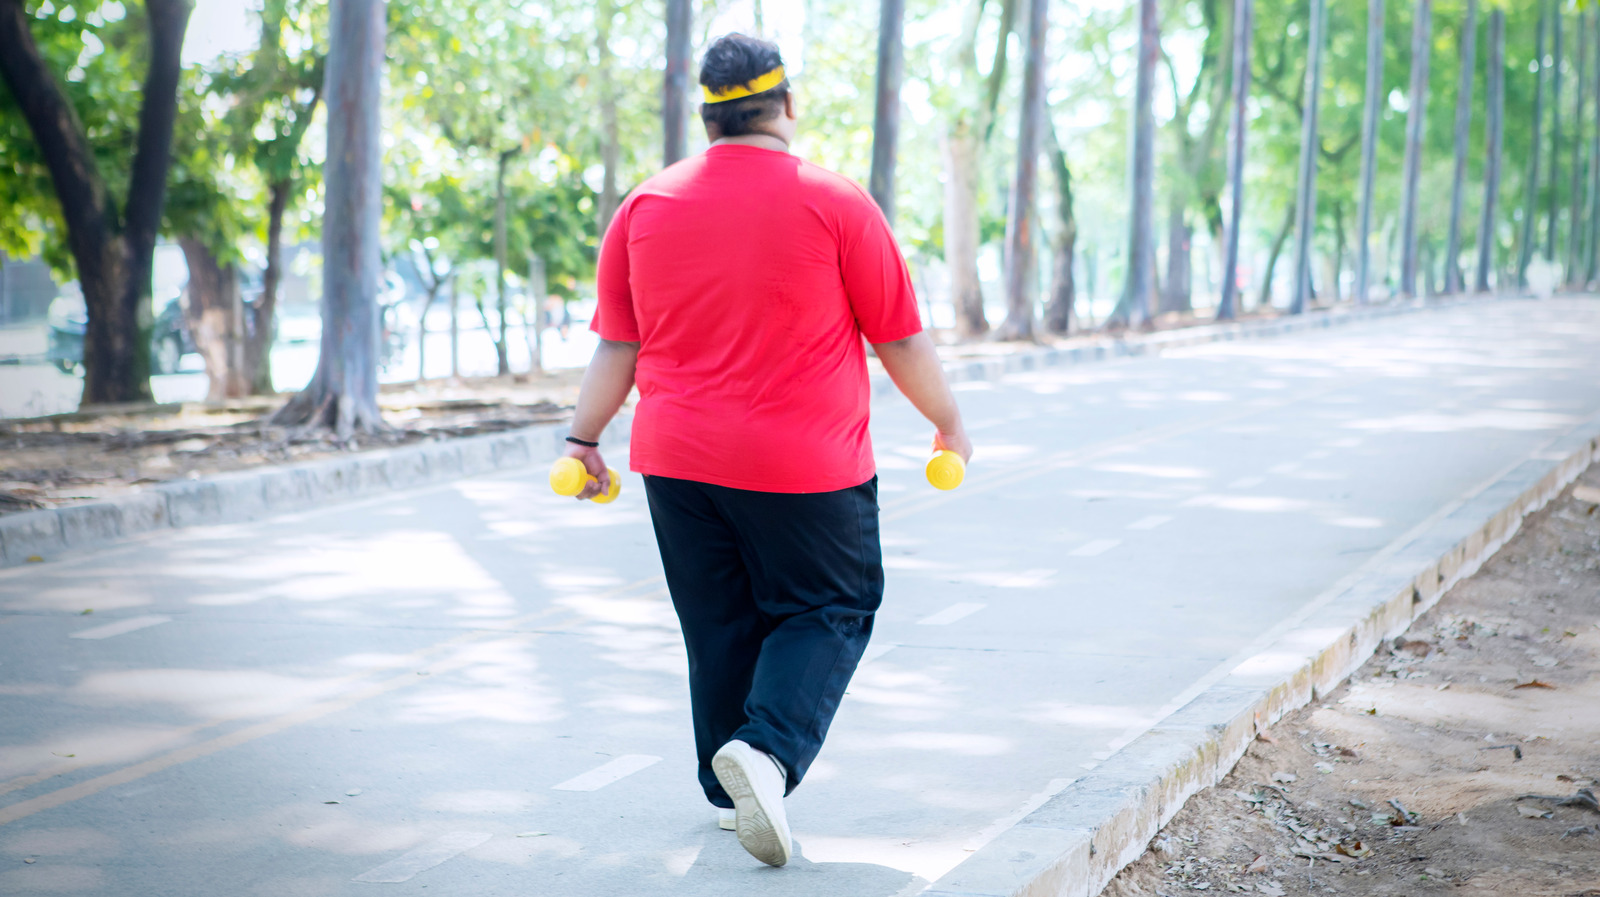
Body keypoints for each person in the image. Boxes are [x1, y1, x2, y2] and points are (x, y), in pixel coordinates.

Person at [560, 33, 972, 868]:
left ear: (707, 116)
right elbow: (898, 339)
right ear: (788, 107)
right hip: (806, 464)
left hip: (675, 460)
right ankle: (768, 753)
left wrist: (583, 438)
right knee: (831, 605)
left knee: (719, 623)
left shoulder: (645, 207)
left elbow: (616, 346)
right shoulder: (836, 201)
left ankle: (730, 792)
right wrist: (949, 423)